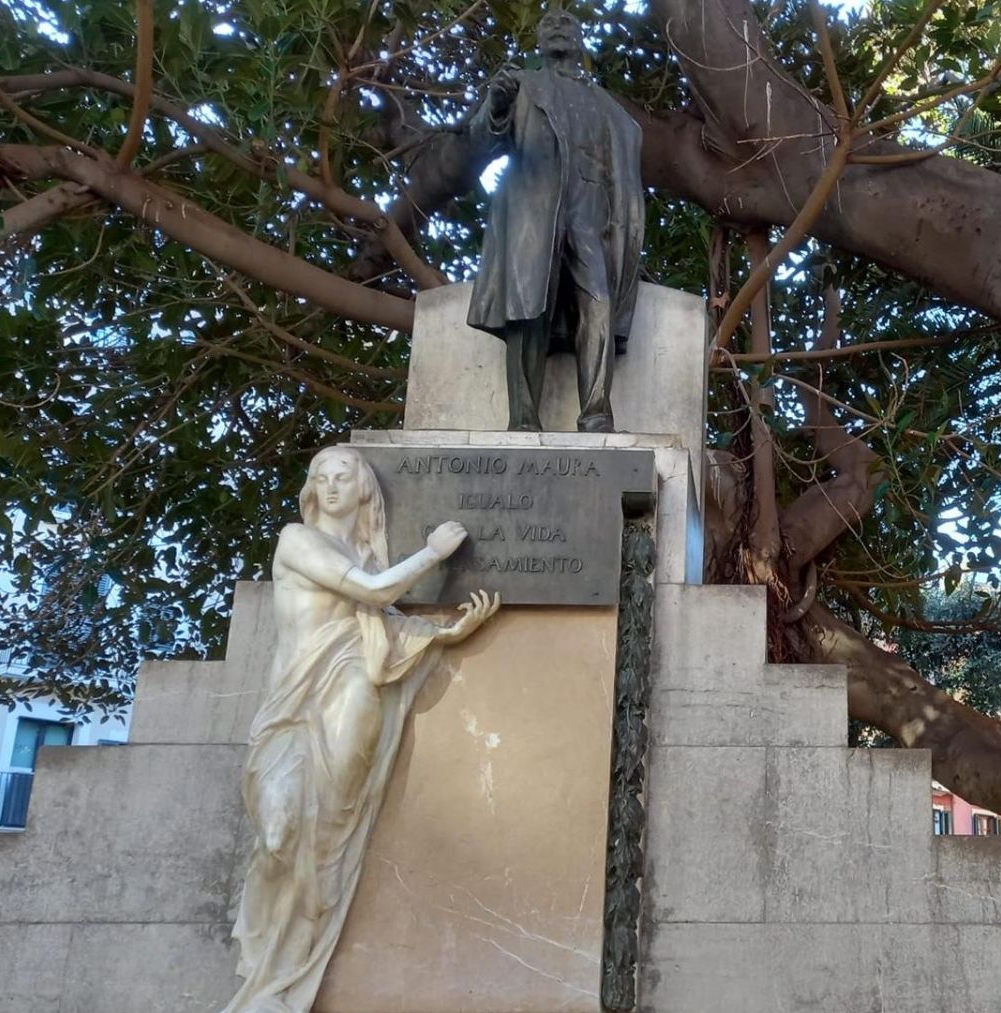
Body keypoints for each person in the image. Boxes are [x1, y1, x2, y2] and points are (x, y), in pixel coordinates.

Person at [221, 445, 499, 1013]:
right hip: (292, 707)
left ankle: (287, 981)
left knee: (327, 834)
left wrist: (443, 635)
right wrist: (432, 553)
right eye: (319, 477)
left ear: (364, 488)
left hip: (352, 693)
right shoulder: (297, 541)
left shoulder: (368, 555)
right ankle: (261, 970)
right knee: (277, 831)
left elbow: (384, 622)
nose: (328, 485)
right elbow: (373, 595)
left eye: (341, 476)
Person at [465, 8, 645, 433]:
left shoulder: (608, 107)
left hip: (592, 214)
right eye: (549, 24)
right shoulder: (521, 85)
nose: (559, 27)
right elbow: (481, 142)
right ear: (539, 41)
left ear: (582, 41)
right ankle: (523, 419)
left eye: (568, 24)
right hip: (535, 209)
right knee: (529, 310)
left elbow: (622, 173)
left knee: (598, 305)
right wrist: (496, 103)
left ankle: (597, 415)